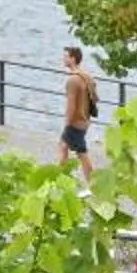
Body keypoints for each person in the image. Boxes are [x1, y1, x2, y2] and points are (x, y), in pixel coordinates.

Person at [56, 45, 97, 181]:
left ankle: (92, 183)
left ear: (73, 59)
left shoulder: (72, 80)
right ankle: (61, 178)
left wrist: (67, 123)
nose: (63, 59)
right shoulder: (86, 76)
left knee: (81, 153)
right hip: (84, 120)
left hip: (75, 122)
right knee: (63, 146)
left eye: (66, 56)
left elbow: (71, 105)